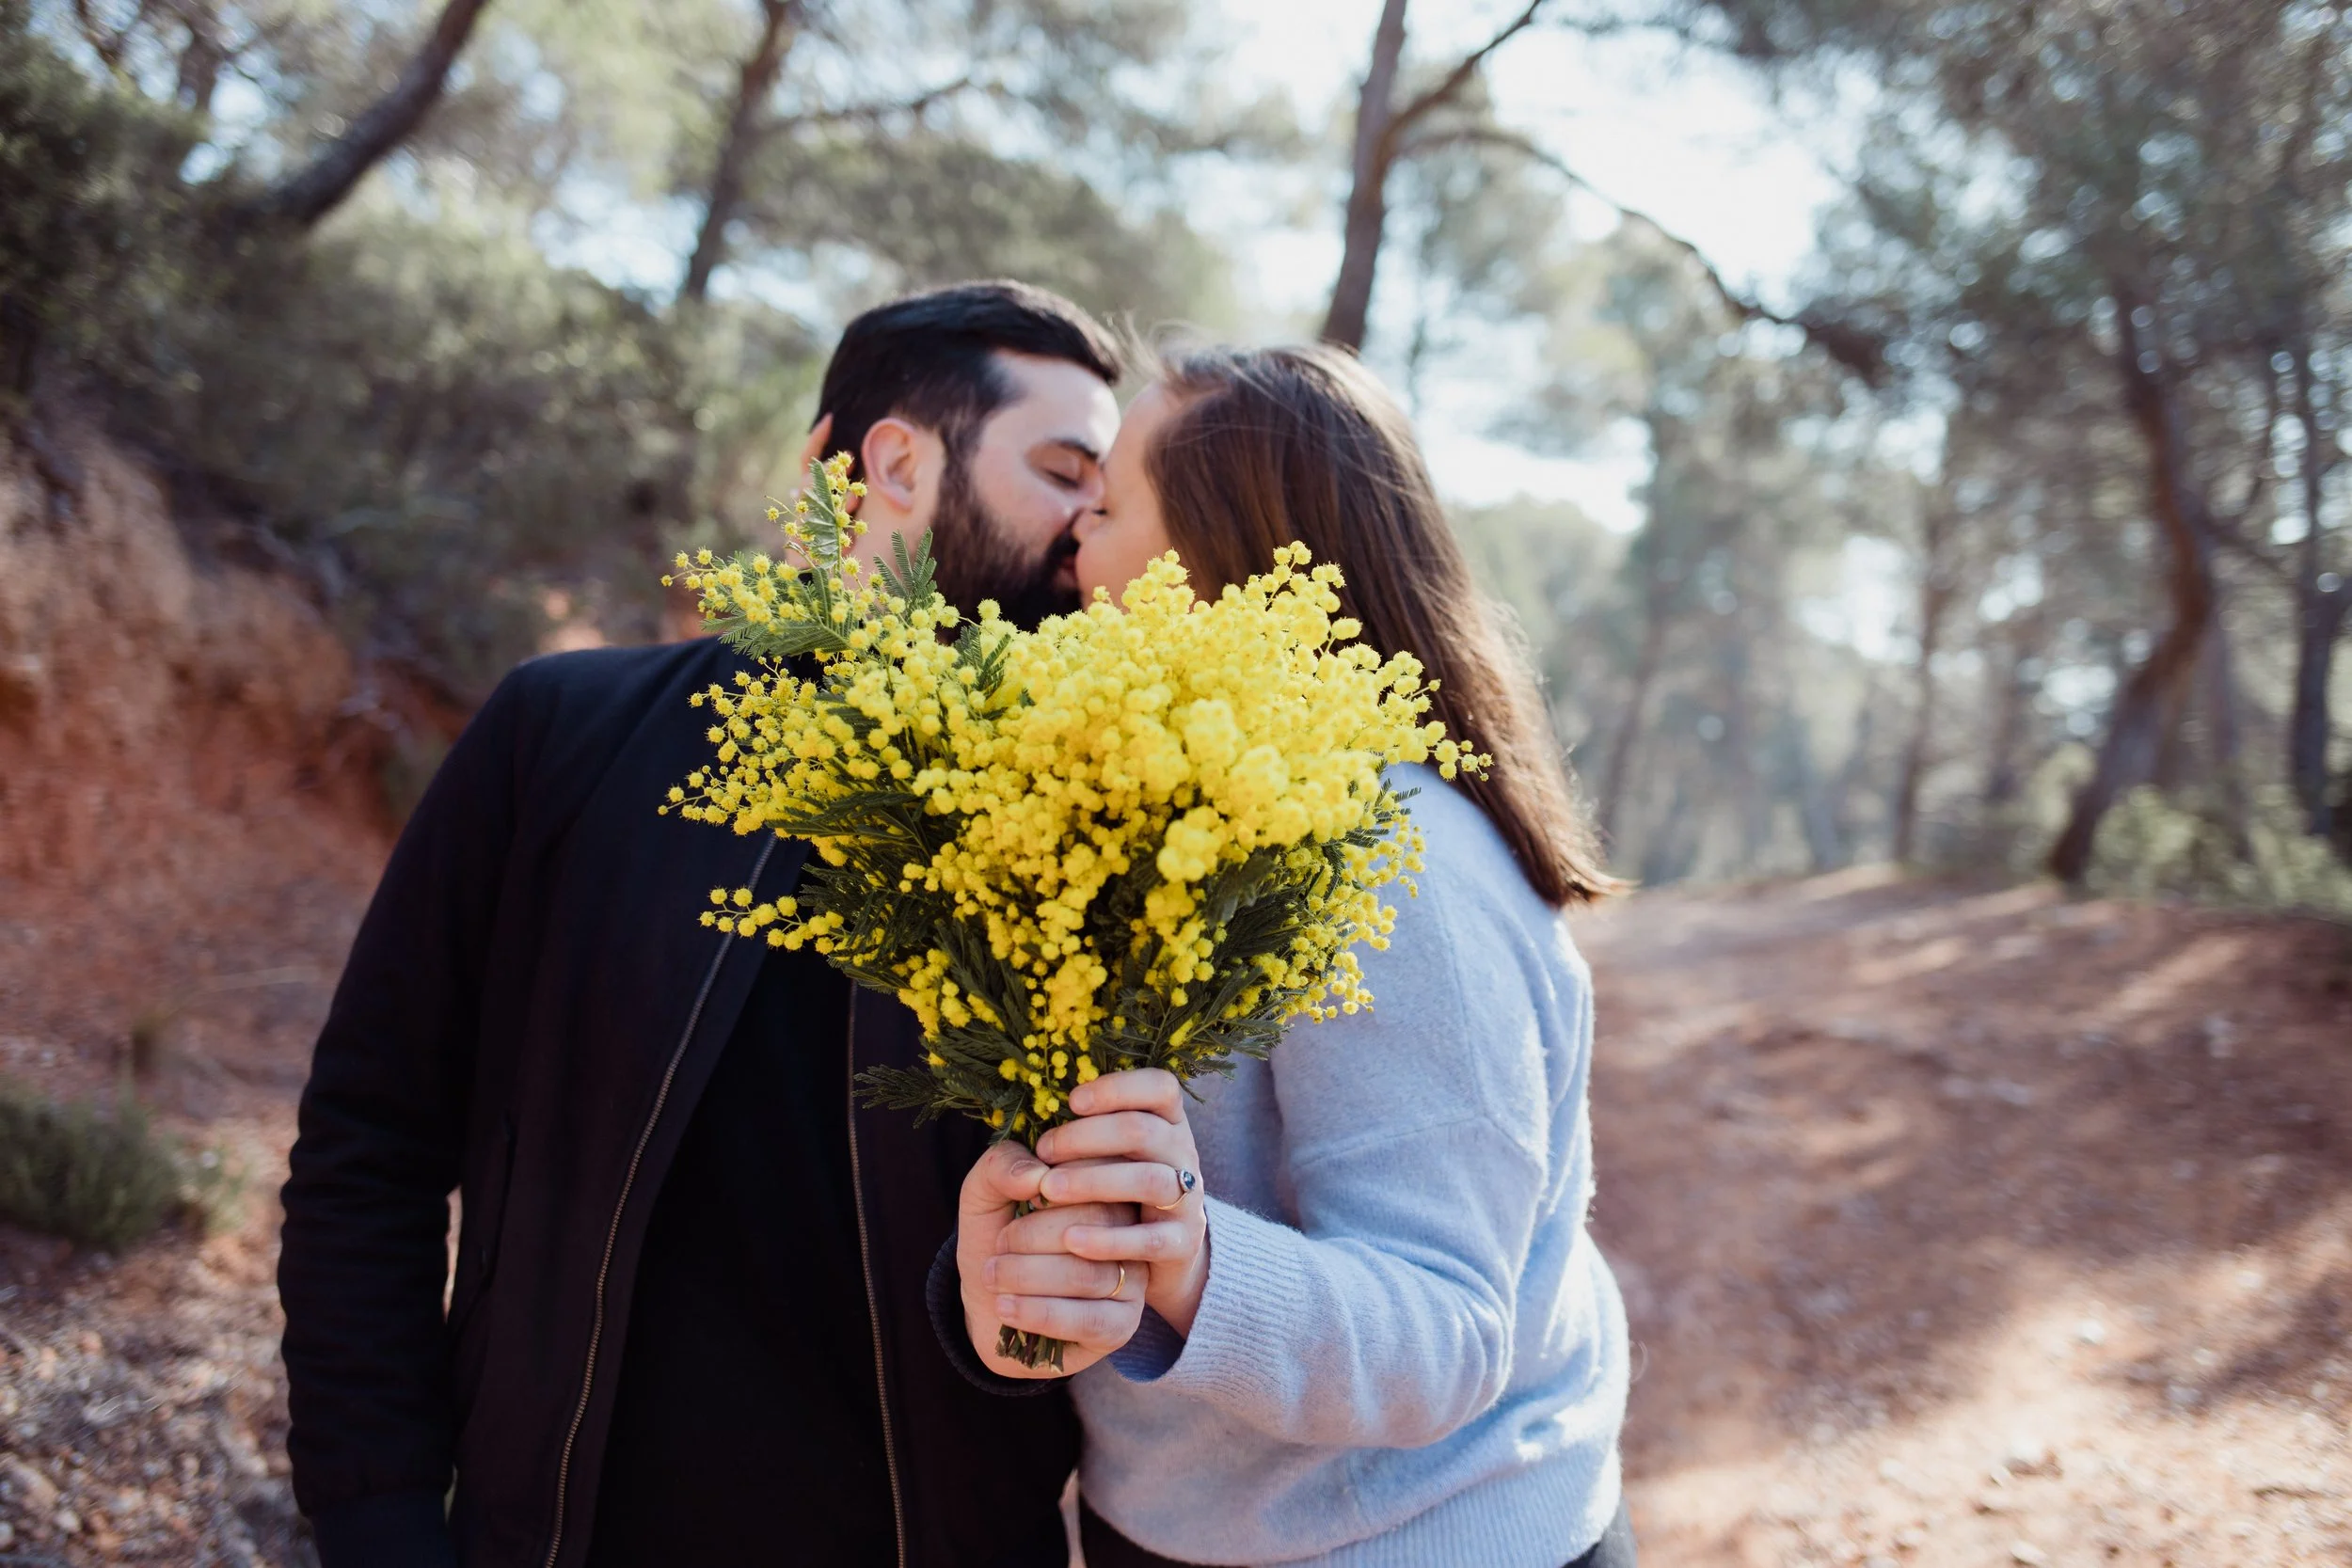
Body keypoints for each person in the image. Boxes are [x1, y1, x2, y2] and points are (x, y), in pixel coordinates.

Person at [277, 280, 1148, 1568]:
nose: (1094, 534)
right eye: (1067, 473)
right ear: (895, 464)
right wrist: (378, 1511)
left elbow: (1072, 1284)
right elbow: (372, 1138)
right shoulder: (558, 738)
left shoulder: (1105, 827)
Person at [951, 343, 1639, 1567]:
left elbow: (1445, 1325)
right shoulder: (1156, 814)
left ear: (1220, 565)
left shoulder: (1392, 855)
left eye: (1106, 507)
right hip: (1174, 1527)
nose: (1073, 548)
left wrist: (1191, 1253)